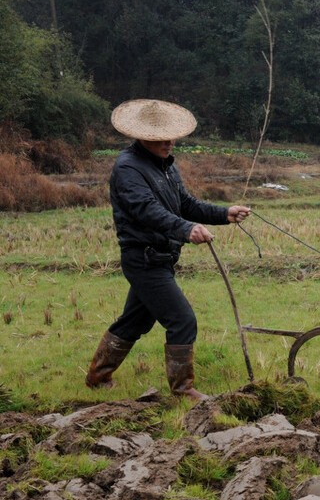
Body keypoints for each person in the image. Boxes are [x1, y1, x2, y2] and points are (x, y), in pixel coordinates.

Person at [85, 99, 251, 401]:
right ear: (142, 137)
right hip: (143, 258)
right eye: (160, 138)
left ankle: (98, 376)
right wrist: (186, 229)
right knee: (182, 319)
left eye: (171, 136)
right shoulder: (127, 169)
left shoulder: (166, 167)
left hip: (161, 257)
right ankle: (183, 389)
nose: (168, 142)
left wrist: (224, 213)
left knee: (135, 320)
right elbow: (147, 210)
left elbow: (185, 204)